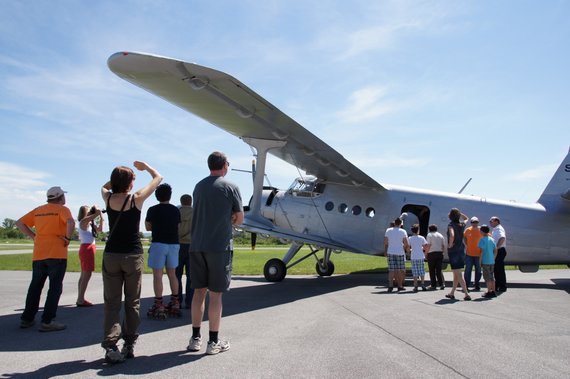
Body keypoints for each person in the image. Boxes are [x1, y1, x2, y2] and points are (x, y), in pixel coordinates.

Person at [100, 161, 162, 364]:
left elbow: (106, 186)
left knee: (111, 302)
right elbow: (158, 178)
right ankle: (129, 342)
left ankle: (111, 344)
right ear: (130, 183)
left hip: (112, 254)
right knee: (132, 301)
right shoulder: (136, 199)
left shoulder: (107, 197)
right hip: (132, 255)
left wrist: (118, 179)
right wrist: (146, 168)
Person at [187, 151, 243, 355]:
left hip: (197, 246)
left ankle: (195, 338)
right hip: (219, 247)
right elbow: (239, 217)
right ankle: (213, 342)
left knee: (198, 293)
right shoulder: (231, 187)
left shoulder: (198, 186)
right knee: (216, 295)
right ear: (225, 165)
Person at [16, 186, 75, 332]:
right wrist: (67, 238)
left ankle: (27, 318)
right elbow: (70, 222)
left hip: (39, 253)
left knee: (35, 286)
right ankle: (47, 320)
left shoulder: (39, 210)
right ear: (60, 197)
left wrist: (33, 236)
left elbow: (19, 223)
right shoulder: (62, 209)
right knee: (54, 287)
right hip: (57, 253)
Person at [145, 183, 181, 320]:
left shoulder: (152, 210)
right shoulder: (175, 210)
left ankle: (159, 303)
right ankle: (175, 301)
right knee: (173, 275)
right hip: (173, 244)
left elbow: (148, 227)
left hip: (158, 243)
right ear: (170, 195)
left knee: (158, 276)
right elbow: (177, 227)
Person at [76, 205, 104, 307]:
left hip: (89, 248)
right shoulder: (83, 222)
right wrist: (97, 212)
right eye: (88, 211)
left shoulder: (90, 223)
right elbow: (95, 214)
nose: (90, 213)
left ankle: (80, 297)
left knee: (84, 274)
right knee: (87, 274)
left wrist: (100, 217)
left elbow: (100, 230)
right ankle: (80, 299)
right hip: (86, 248)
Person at [445, 208, 471, 301]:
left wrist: (450, 244)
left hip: (454, 251)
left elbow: (452, 235)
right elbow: (466, 218)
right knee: (456, 273)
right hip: (461, 250)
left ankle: (466, 294)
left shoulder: (451, 225)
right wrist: (460, 213)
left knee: (459, 274)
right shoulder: (462, 224)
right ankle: (452, 293)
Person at [177, 194, 194, 309]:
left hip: (178, 246)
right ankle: (190, 301)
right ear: (191, 201)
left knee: (176, 276)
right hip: (192, 246)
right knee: (191, 276)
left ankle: (177, 300)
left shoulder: (176, 212)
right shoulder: (196, 212)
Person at [384, 218, 410, 292]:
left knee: (391, 270)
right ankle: (399, 285)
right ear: (401, 224)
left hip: (390, 252)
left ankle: (390, 285)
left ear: (394, 223)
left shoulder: (388, 230)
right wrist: (406, 249)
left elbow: (385, 242)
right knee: (400, 270)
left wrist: (385, 251)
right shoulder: (403, 231)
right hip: (400, 252)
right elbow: (406, 243)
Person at [425, 224, 447, 290]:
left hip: (432, 253)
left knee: (432, 270)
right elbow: (443, 245)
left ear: (429, 229)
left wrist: (426, 253)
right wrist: (442, 252)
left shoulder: (429, 235)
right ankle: (441, 284)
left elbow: (428, 245)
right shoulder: (440, 235)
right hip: (439, 253)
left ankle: (433, 284)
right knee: (438, 269)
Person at [463, 216, 482, 291]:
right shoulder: (468, 230)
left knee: (478, 270)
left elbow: (487, 236)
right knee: (468, 270)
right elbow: (464, 236)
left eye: (476, 222)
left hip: (479, 254)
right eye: (473, 222)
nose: (475, 223)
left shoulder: (481, 230)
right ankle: (466, 285)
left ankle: (477, 284)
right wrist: (466, 243)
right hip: (469, 254)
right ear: (471, 223)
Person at [478, 225, 498, 298]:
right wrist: (493, 258)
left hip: (485, 261)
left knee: (487, 277)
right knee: (492, 277)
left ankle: (489, 291)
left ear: (482, 231)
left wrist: (480, 261)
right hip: (491, 261)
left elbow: (482, 252)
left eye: (480, 230)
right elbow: (495, 250)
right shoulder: (492, 239)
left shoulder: (482, 240)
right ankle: (493, 291)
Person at [490, 216, 508, 292]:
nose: (490, 222)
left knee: (499, 269)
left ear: (496, 221)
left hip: (500, 251)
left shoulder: (499, 228)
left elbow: (502, 238)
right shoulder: (495, 229)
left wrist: (496, 247)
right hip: (498, 250)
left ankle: (502, 286)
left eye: (491, 221)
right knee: (496, 269)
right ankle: (497, 285)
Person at [408, 224, 427, 292]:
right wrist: (424, 251)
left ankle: (415, 285)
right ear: (418, 230)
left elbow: (408, 247)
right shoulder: (422, 238)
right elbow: (425, 246)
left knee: (415, 272)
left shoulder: (410, 238)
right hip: (420, 256)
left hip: (413, 256)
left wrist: (409, 251)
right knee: (421, 271)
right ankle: (422, 284)